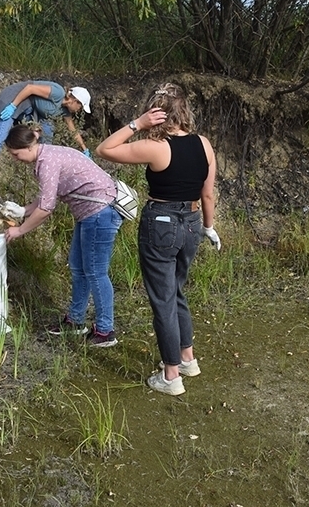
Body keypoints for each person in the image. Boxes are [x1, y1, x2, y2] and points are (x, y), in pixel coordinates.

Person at [95, 82, 221, 396]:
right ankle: (187, 358)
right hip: (192, 222)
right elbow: (207, 193)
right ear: (185, 112)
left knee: (163, 300)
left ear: (158, 114)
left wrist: (137, 124)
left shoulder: (155, 147)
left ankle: (171, 376)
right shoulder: (203, 143)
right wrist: (208, 226)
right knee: (176, 291)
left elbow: (104, 149)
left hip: (161, 223)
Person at [3, 124, 122, 346]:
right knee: (78, 268)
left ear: (28, 146)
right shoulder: (47, 155)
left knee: (96, 272)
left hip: (100, 212)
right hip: (90, 213)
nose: (15, 158)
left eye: (15, 154)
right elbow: (48, 196)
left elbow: (46, 209)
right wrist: (22, 211)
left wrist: (19, 230)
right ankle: (76, 321)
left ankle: (106, 331)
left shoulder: (47, 162)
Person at [0, 81, 91, 187]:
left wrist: (84, 149)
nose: (79, 110)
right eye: (80, 107)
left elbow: (73, 131)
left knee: (48, 131)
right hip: (13, 99)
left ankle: (42, 175)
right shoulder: (58, 92)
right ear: (75, 100)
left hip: (29, 108)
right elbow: (30, 88)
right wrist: (12, 106)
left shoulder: (64, 111)